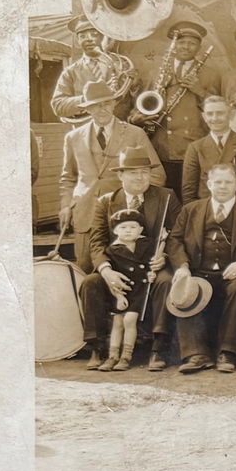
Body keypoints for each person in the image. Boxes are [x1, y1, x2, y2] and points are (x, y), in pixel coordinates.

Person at [79, 148, 177, 369]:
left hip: (150, 267)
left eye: (144, 171)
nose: (140, 177)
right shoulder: (106, 201)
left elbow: (176, 235)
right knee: (90, 282)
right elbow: (97, 241)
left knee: (166, 281)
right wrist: (106, 270)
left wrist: (165, 258)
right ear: (120, 175)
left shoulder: (166, 197)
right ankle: (97, 348)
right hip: (117, 266)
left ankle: (158, 348)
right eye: (133, 172)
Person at [166, 164, 236, 374]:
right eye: (218, 182)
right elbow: (174, 240)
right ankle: (196, 354)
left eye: (228, 182)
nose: (223, 187)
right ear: (209, 184)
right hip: (198, 270)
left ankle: (227, 352)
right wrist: (182, 267)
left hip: (233, 273)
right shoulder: (191, 210)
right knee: (186, 288)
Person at [59, 82, 164, 271]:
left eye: (106, 103)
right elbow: (68, 178)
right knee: (85, 271)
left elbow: (156, 174)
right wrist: (66, 205)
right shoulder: (73, 137)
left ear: (114, 104)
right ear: (88, 108)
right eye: (95, 105)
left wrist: (135, 202)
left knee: (123, 272)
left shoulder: (135, 134)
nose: (102, 109)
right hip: (86, 215)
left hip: (124, 218)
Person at [135, 20, 225, 198]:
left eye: (192, 43)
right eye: (182, 42)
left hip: (191, 147)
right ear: (174, 44)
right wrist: (137, 118)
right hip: (160, 147)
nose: (186, 47)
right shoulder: (156, 71)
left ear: (199, 46)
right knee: (164, 198)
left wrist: (199, 90)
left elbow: (218, 111)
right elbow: (140, 104)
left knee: (190, 197)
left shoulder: (211, 74)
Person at [95, 209, 154, 371]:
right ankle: (112, 356)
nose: (128, 231)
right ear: (115, 231)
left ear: (140, 230)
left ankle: (126, 355)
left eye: (133, 227)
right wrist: (119, 296)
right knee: (118, 322)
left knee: (129, 320)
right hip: (123, 292)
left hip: (141, 291)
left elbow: (153, 263)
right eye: (123, 227)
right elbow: (113, 280)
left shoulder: (148, 245)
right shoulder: (112, 250)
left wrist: (151, 273)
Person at [51, 15, 136, 121]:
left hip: (119, 127)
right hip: (86, 130)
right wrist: (87, 98)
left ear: (102, 36)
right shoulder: (70, 72)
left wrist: (133, 117)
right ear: (77, 41)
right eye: (82, 36)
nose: (89, 39)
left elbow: (134, 96)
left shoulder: (121, 65)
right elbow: (58, 105)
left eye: (94, 34)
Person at [181, 95, 236, 206]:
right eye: (210, 114)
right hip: (206, 211)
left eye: (220, 113)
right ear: (204, 117)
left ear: (231, 115)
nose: (214, 118)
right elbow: (188, 192)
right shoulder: (195, 148)